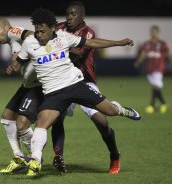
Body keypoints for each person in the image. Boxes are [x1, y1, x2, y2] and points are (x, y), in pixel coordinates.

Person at [10, 8, 141, 176]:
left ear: (52, 28)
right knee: (41, 124)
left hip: (75, 86)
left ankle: (121, 109)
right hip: (53, 94)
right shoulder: (29, 43)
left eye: (43, 31)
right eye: (37, 30)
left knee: (109, 112)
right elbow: (19, 61)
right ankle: (35, 160)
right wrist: (13, 65)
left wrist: (118, 42)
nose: (39, 34)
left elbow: (91, 43)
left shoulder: (64, 37)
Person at [51, 1, 122, 175]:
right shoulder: (59, 27)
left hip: (84, 81)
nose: (69, 17)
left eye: (73, 14)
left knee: (101, 121)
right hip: (63, 81)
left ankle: (114, 155)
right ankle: (58, 157)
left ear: (82, 16)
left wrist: (57, 47)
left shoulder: (87, 32)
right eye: (67, 13)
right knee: (56, 118)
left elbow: (78, 53)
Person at [0, 17, 40, 174]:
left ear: (6, 27)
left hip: (37, 86)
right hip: (27, 85)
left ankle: (35, 159)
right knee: (7, 117)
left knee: (22, 122)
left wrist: (20, 55)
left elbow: (33, 35)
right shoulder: (12, 41)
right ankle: (19, 157)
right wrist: (15, 63)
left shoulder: (13, 32)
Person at [134, 25, 172, 114]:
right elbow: (143, 54)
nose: (153, 34)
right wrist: (138, 62)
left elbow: (169, 55)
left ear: (158, 33)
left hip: (158, 68)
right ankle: (163, 104)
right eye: (152, 32)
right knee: (155, 87)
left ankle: (152, 105)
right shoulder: (147, 44)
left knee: (156, 86)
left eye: (155, 32)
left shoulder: (162, 44)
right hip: (149, 69)